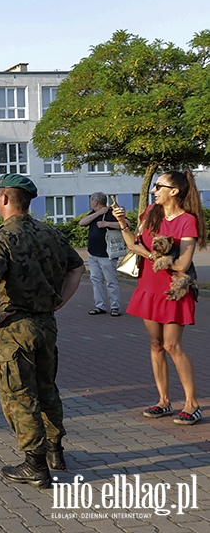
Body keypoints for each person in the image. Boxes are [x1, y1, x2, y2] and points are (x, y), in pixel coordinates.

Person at [0, 173, 85, 489]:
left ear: (5, 198)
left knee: (19, 395)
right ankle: (55, 453)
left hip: (14, 328)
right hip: (46, 324)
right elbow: (77, 267)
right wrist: (60, 302)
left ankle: (35, 466)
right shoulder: (51, 234)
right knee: (47, 387)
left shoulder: (1, 238)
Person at [112, 170, 206, 425]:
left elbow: (183, 264)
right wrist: (123, 223)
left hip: (174, 290)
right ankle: (164, 401)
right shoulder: (150, 214)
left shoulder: (187, 220)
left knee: (172, 346)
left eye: (158, 186)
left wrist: (154, 257)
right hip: (148, 287)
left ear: (174, 191)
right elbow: (133, 245)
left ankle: (192, 404)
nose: (154, 190)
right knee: (155, 345)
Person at [79, 192, 122, 316]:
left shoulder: (111, 213)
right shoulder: (94, 214)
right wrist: (98, 213)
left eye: (91, 201)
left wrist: (106, 224)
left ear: (95, 202)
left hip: (107, 254)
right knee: (96, 280)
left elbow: (126, 224)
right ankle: (100, 305)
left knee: (110, 280)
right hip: (93, 253)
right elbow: (82, 222)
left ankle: (115, 306)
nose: (90, 203)